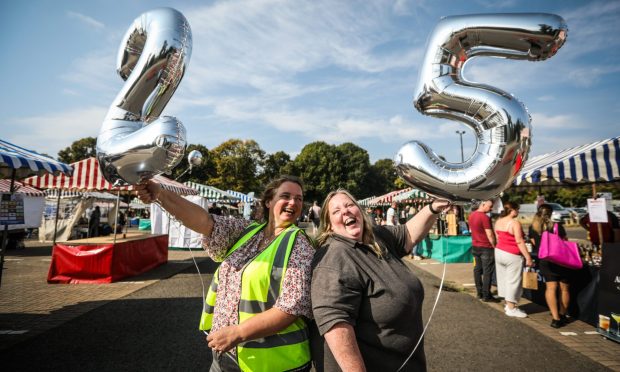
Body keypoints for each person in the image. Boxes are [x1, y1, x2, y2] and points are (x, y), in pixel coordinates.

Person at [136, 175, 314, 371]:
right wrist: (160, 193)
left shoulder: (299, 244)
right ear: (268, 202)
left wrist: (237, 333)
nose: (293, 202)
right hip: (226, 356)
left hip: (272, 363)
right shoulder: (247, 230)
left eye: (299, 198)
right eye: (286, 196)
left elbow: (290, 308)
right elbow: (204, 221)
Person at [310, 189, 451, 371]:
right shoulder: (334, 256)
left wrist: (433, 207)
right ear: (329, 226)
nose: (345, 211)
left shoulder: (374, 237)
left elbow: (407, 234)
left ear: (359, 211)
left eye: (349, 205)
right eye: (336, 211)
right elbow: (335, 324)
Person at [529, 204, 573, 328]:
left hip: (545, 260)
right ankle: (563, 313)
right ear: (551, 213)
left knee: (551, 288)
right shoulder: (557, 226)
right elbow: (565, 242)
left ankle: (555, 318)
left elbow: (534, 243)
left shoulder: (533, 227)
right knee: (564, 289)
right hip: (560, 260)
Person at [494, 201, 534, 318]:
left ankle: (508, 304)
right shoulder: (514, 223)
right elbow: (519, 241)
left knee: (504, 279)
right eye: (517, 209)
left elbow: (498, 237)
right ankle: (511, 308)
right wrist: (528, 257)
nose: (518, 211)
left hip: (499, 251)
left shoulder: (498, 221)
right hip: (512, 254)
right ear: (512, 210)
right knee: (513, 281)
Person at [468, 200, 498, 302]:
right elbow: (489, 234)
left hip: (475, 246)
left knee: (477, 269)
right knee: (487, 272)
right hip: (486, 247)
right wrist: (494, 245)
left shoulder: (471, 215)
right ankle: (486, 295)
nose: (491, 208)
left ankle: (479, 293)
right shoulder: (485, 217)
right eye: (490, 206)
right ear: (483, 205)